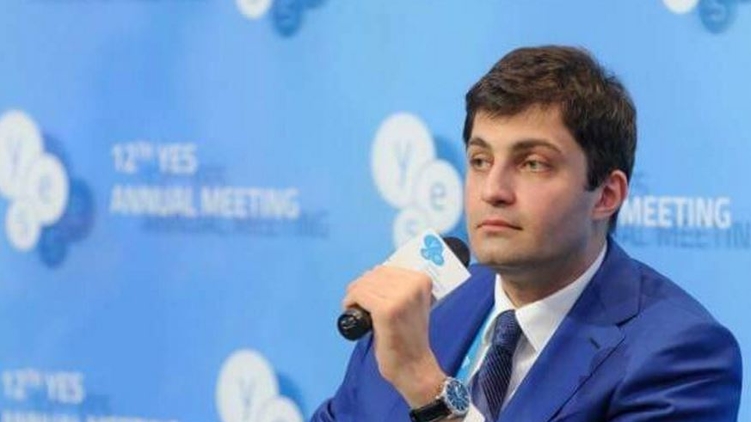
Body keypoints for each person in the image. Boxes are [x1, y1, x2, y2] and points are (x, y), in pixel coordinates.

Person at [310, 45, 742, 422]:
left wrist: (427, 388)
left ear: (606, 195)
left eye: (532, 164)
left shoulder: (681, 355)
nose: (493, 190)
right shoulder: (423, 310)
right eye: (480, 161)